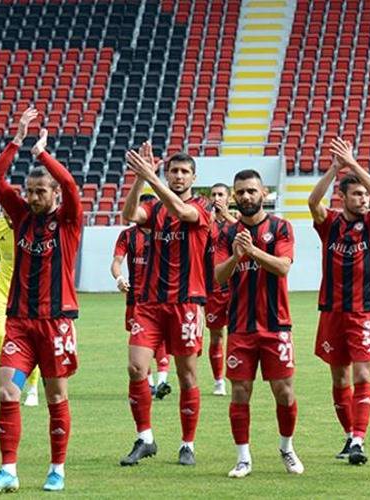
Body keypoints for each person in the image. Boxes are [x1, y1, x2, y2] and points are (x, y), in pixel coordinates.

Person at [0, 108, 83, 493]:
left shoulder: (69, 219)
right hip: (20, 323)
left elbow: (71, 186)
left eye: (42, 191)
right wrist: (18, 139)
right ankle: (8, 470)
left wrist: (43, 156)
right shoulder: (20, 215)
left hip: (56, 323)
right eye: (31, 191)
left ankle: (57, 468)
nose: (35, 197)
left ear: (53, 194)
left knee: (57, 395)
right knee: (8, 391)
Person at [119, 142, 212, 467]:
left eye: (185, 171)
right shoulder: (155, 209)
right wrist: (140, 179)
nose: (178, 176)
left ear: (193, 177)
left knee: (187, 375)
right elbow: (130, 214)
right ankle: (145, 438)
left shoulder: (201, 208)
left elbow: (182, 212)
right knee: (136, 368)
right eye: (174, 171)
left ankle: (188, 443)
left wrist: (151, 177)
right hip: (149, 303)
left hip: (186, 303)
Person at [215, 169, 303, 478]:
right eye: (240, 192)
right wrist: (237, 257)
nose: (246, 197)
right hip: (240, 326)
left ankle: (287, 447)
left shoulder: (280, 228)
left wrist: (252, 251)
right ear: (235, 197)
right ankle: (243, 458)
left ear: (263, 193)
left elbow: (282, 268)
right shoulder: (227, 234)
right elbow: (219, 276)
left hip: (276, 325)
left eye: (252, 191)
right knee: (240, 392)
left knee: (284, 392)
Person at [307, 138, 370, 465]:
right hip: (332, 311)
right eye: (357, 194)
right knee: (339, 379)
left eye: (365, 194)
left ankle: (358, 439)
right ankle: (349, 435)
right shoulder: (330, 224)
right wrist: (335, 168)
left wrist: (354, 165)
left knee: (363, 376)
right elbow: (313, 201)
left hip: (365, 312)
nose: (364, 199)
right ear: (343, 197)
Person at [111, 194, 172, 400]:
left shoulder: (166, 233)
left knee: (161, 337)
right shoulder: (127, 235)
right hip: (135, 297)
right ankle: (151, 384)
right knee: (139, 339)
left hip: (161, 295)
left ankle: (162, 381)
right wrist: (119, 278)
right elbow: (117, 262)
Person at [0, 210, 41, 407]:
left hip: (28, 295)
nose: (11, 218)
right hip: (2, 293)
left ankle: (32, 387)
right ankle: (12, 380)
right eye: (7, 213)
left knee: (29, 343)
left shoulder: (34, 225)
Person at [205, 182, 237, 396]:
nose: (217, 198)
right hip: (212, 288)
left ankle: (237, 376)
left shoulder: (236, 220)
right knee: (216, 336)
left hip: (235, 287)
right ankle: (218, 381)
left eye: (221, 194)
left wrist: (228, 216)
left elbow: (248, 236)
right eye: (214, 194)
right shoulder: (205, 220)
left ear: (228, 198)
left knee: (237, 335)